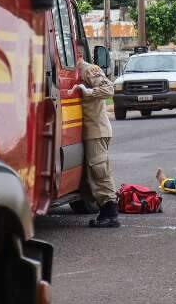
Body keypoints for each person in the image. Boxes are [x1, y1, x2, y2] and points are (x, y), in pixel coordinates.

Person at [69, 41, 119, 228]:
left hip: (97, 130)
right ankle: (105, 211)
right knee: (93, 172)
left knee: (99, 171)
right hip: (88, 130)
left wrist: (88, 92)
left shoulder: (89, 70)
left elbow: (109, 88)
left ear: (79, 55)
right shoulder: (74, 73)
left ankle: (110, 213)